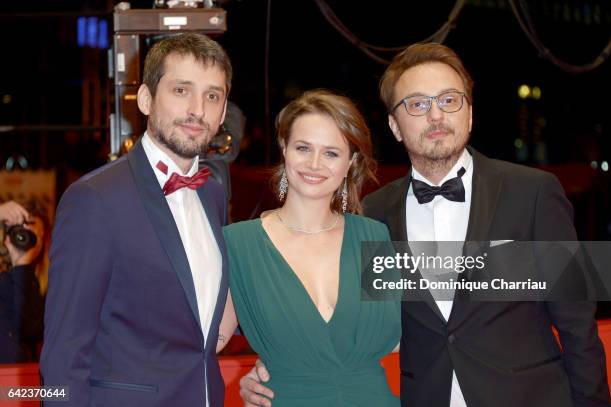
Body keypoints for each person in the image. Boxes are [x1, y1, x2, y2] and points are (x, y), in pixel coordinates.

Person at [240, 43, 611, 407]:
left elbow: (578, 327)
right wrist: (274, 368)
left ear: (469, 113)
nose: (436, 115)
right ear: (395, 126)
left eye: (449, 100)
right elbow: (348, 325)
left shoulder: (534, 193)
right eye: (417, 104)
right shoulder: (372, 216)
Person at [41, 33, 231, 406]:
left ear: (223, 112)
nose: (198, 109)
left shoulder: (213, 192)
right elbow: (64, 354)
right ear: (145, 99)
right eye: (181, 90)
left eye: (212, 96)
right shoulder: (94, 199)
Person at [220, 89, 401, 406]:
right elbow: (204, 342)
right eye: (304, 148)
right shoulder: (238, 244)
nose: (314, 164)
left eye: (331, 153)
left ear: (350, 163)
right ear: (285, 149)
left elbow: (415, 333)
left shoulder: (375, 238)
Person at [0, 200, 44, 362]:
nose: (24, 239)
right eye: (20, 232)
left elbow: (32, 330)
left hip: (15, 383)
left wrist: (22, 266)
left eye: (33, 236)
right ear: (7, 237)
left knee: (59, 389)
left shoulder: (41, 284)